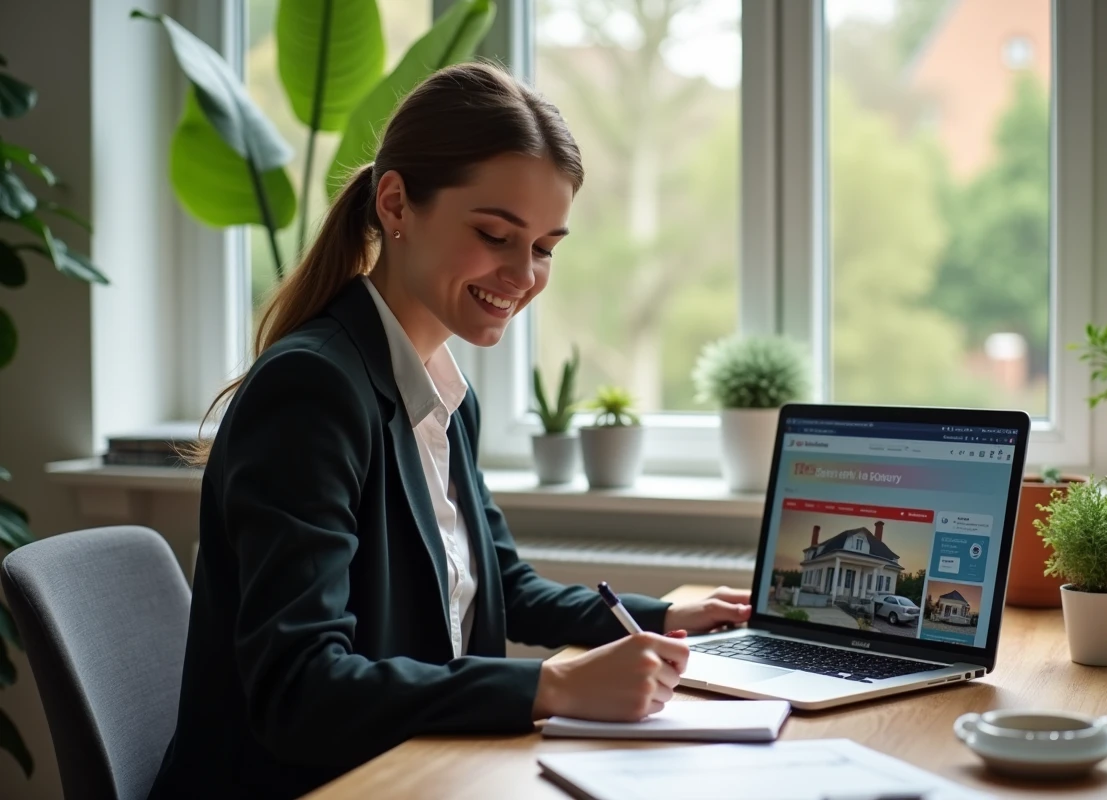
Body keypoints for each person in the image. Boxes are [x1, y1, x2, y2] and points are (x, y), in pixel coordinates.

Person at [148, 62, 751, 799]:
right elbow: (299, 691)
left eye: (545, 248)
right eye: (496, 234)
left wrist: (662, 614)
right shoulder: (311, 390)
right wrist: (550, 686)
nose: (523, 273)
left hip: (420, 771)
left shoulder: (440, 390)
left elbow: (501, 586)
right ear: (396, 205)